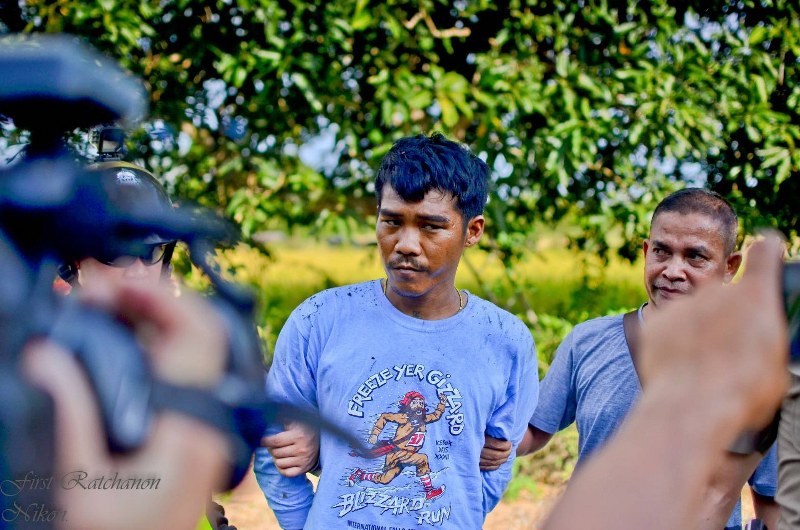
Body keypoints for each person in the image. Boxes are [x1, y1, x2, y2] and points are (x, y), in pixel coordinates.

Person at [253, 133, 539, 529]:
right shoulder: (319, 320)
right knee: (385, 475)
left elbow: (495, 460)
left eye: (431, 226)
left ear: (472, 231)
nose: (405, 244)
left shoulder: (506, 340)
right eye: (391, 221)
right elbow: (273, 441)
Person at [518, 188, 779, 529]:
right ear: (646, 251)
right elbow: (531, 430)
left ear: (730, 267)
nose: (673, 270)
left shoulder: (754, 370)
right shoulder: (588, 342)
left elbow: (772, 497)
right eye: (661, 251)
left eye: (695, 257)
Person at [21, 280, 232, 530]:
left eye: (152, 258)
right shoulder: (54, 354)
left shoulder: (171, 364)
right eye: (111, 260)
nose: (137, 269)